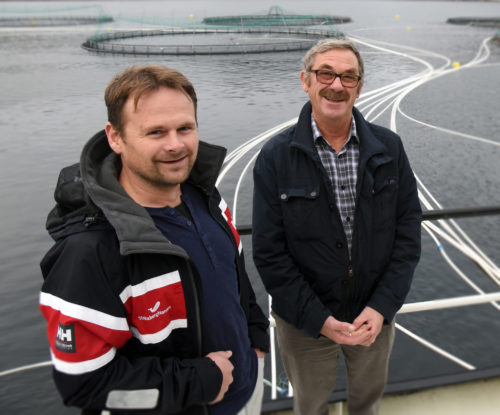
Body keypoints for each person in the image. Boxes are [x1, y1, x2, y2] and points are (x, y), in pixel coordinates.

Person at [39, 65, 269, 415]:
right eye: (156, 132)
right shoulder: (90, 251)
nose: (175, 145)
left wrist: (256, 338)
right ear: (115, 137)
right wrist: (199, 381)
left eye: (185, 128)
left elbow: (233, 273)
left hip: (244, 395)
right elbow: (85, 384)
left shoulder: (204, 196)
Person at [252, 39, 421, 415]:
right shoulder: (276, 157)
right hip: (305, 323)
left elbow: (408, 234)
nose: (336, 85)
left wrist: (381, 307)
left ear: (359, 87)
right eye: (325, 73)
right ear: (306, 81)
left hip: (372, 317)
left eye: (348, 77)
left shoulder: (389, 149)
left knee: (367, 401)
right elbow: (269, 252)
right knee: (311, 406)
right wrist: (319, 320)